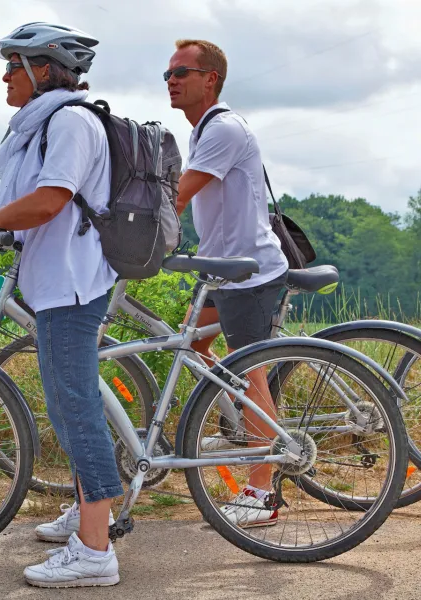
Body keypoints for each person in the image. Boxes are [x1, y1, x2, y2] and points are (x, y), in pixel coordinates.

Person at [0, 22, 122, 588]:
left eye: (13, 66)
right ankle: (90, 518)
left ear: (42, 69)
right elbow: (47, 200)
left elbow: (52, 199)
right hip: (58, 281)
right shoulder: (48, 123)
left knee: (76, 411)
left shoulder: (71, 121)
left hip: (71, 286)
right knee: (70, 407)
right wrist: (6, 230)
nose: (6, 76)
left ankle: (96, 551)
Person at [166, 39, 290, 527]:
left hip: (250, 273)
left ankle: (262, 489)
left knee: (249, 374)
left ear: (209, 79)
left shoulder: (222, 129)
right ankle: (246, 426)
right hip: (223, 270)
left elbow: (177, 196)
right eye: (167, 75)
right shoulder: (203, 131)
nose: (171, 81)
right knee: (195, 346)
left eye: (181, 72)